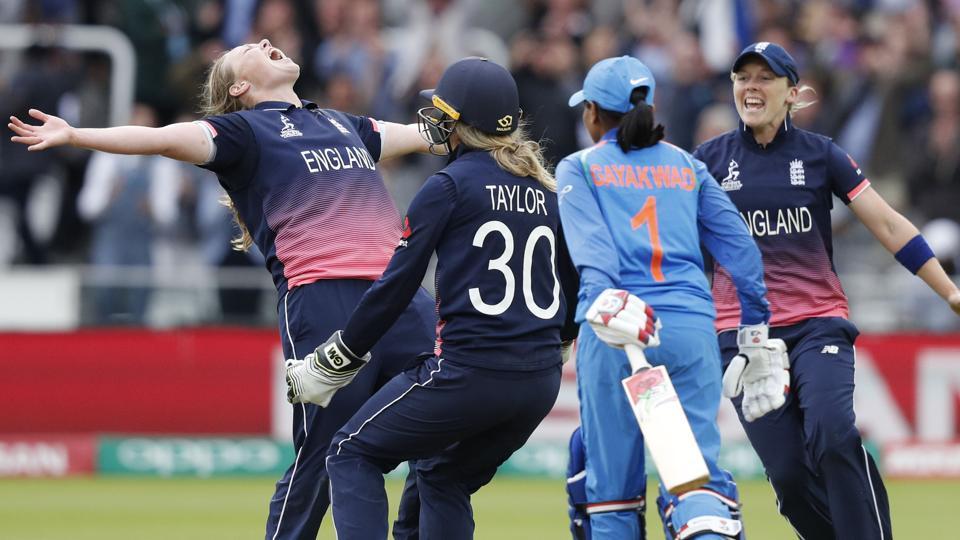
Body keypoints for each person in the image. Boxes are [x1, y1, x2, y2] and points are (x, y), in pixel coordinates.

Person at [8, 38, 436, 540]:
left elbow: (422, 135)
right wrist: (77, 135)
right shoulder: (241, 133)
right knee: (322, 457)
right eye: (249, 47)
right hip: (324, 300)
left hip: (403, 296)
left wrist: (466, 120)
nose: (265, 41)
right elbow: (163, 139)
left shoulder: (346, 124)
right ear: (240, 86)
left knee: (445, 429)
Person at [284, 56, 579, 539]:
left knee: (349, 452)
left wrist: (337, 358)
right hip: (539, 382)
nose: (435, 122)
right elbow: (574, 285)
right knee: (444, 474)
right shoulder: (547, 193)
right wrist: (558, 341)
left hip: (468, 373)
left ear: (464, 123)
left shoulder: (447, 185)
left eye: (443, 112)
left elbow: (397, 286)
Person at [693, 42, 960, 539]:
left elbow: (886, 223)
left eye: (764, 79)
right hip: (743, 338)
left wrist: (949, 292)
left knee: (833, 435)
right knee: (791, 479)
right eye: (742, 78)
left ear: (792, 93)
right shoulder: (705, 163)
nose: (751, 87)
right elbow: (671, 243)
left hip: (818, 324)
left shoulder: (821, 155)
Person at [556, 55, 776, 540]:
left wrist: (602, 302)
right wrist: (756, 328)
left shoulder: (580, 167)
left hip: (616, 331)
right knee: (693, 482)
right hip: (689, 332)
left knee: (612, 493)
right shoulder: (687, 166)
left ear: (592, 113)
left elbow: (593, 255)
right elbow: (741, 249)